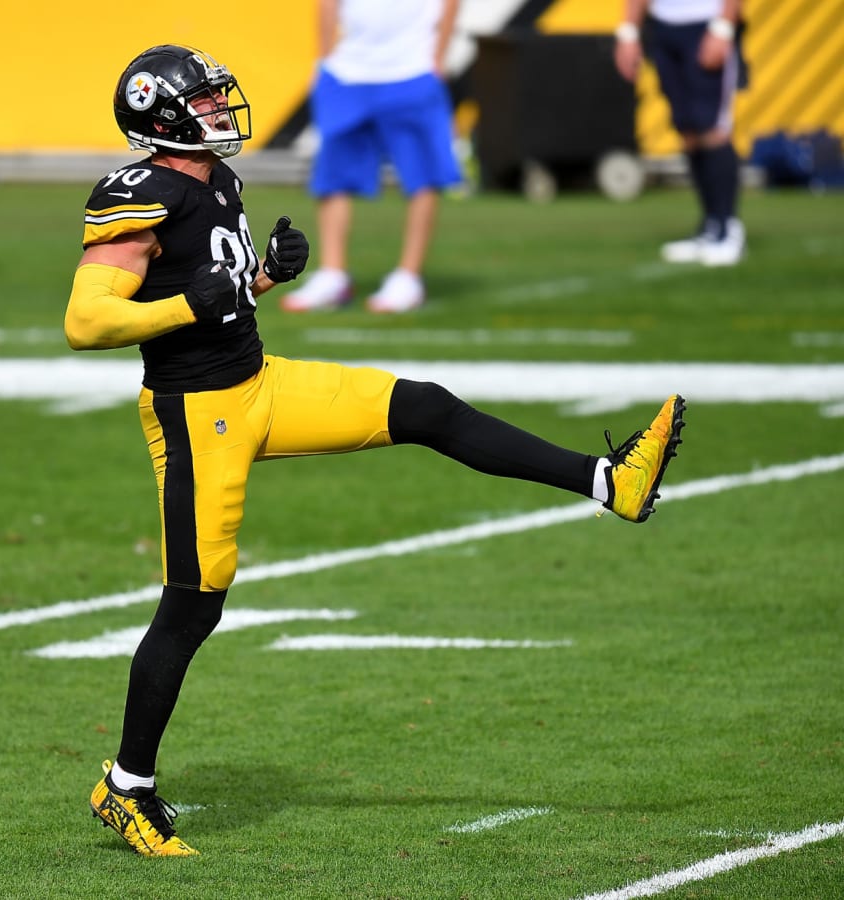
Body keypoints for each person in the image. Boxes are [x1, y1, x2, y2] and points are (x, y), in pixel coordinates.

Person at [67, 44, 686, 857]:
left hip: (259, 383)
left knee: (422, 407)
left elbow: (210, 286)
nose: (222, 111)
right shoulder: (138, 192)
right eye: (209, 103)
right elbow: (88, 322)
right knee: (195, 599)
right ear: (165, 115)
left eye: (221, 99)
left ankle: (611, 480)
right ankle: (127, 788)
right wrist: (205, 296)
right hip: (198, 413)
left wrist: (258, 279)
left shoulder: (215, 179)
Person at [281, 0, 464, 314]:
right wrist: (325, 59)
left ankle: (409, 276)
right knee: (332, 176)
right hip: (349, 70)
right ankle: (333, 274)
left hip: (413, 69)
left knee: (423, 175)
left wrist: (438, 58)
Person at [614, 0, 747, 267]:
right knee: (687, 130)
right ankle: (709, 226)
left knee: (712, 128)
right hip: (664, 26)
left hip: (706, 22)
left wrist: (724, 25)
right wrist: (629, 31)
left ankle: (727, 227)